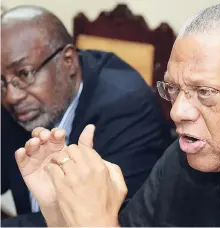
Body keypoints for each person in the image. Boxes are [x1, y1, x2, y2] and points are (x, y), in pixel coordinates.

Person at [4, 0, 220, 226]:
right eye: (174, 89)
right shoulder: (182, 161)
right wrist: (59, 209)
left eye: (205, 92)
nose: (178, 112)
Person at [0, 5, 173, 221]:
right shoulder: (17, 99)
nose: (11, 97)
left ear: (68, 61)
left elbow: (115, 217)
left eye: (24, 73)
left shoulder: (127, 106)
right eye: (1, 81)